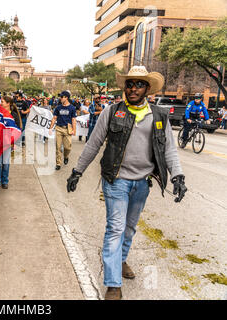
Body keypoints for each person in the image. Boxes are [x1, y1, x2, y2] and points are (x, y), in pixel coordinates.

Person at [66, 66, 187, 300]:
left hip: (142, 183)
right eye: (129, 84)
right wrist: (77, 171)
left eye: (139, 84)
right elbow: (93, 143)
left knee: (129, 228)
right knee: (115, 228)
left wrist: (178, 176)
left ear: (147, 89)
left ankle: (120, 261)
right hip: (116, 180)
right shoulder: (112, 112)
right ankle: (113, 284)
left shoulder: (159, 115)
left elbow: (169, 149)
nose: (133, 88)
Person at [0, 96, 22, 190]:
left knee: (5, 162)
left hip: (8, 141)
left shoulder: (14, 115)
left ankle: (4, 181)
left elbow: (17, 129)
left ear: (8, 103)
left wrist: (13, 141)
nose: (1, 103)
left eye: (3, 102)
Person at [49, 91, 77, 171]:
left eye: (61, 97)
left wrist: (74, 130)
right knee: (58, 147)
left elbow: (74, 120)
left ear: (66, 98)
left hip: (68, 129)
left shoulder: (72, 108)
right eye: (60, 97)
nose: (60, 98)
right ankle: (58, 163)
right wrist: (50, 128)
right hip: (59, 128)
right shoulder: (58, 107)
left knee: (67, 147)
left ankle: (66, 156)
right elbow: (54, 118)